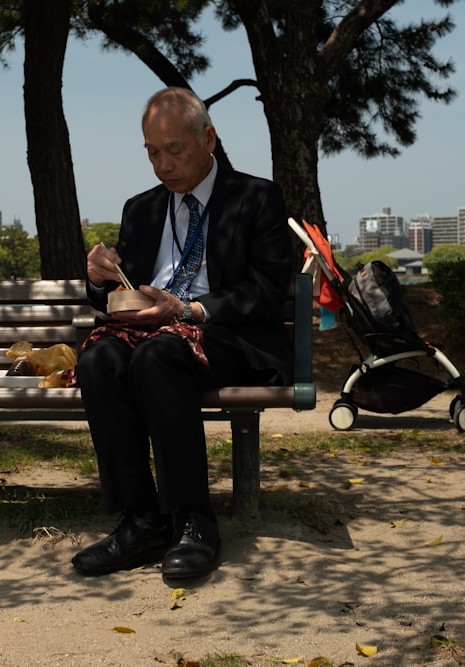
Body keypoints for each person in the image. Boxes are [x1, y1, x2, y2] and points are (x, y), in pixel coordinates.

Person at [72, 87, 293, 580]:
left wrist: (189, 308)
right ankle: (143, 521)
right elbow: (113, 298)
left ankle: (194, 520)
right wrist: (97, 276)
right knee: (98, 361)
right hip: (153, 333)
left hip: (225, 335)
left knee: (159, 356)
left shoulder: (256, 197)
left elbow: (266, 290)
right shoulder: (141, 208)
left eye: (174, 149)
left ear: (208, 138)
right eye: (152, 151)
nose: (162, 164)